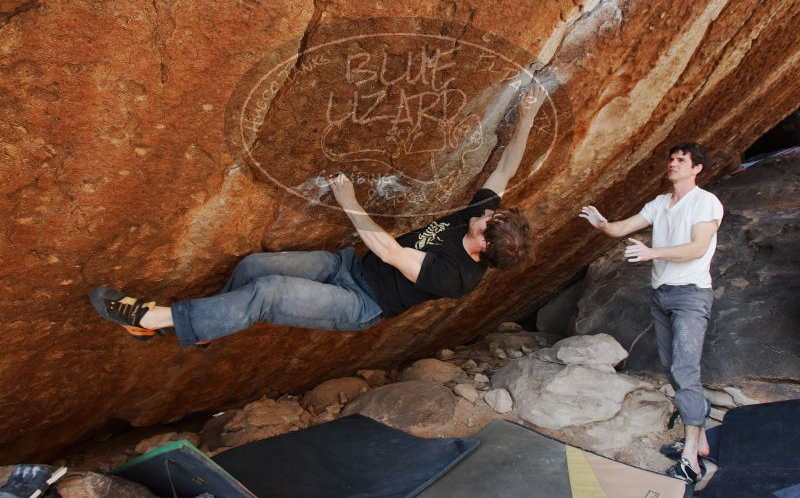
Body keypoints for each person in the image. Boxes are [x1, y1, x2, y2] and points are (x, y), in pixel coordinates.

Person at [90, 85, 544, 348]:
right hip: (346, 267)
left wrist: (348, 198)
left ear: (484, 246)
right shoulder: (483, 219)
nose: (487, 214)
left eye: (490, 221)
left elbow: (388, 249)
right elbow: (506, 168)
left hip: (362, 303)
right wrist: (527, 116)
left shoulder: (456, 277)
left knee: (268, 291)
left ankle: (149, 320)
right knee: (252, 267)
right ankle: (209, 325)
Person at [579, 142, 724, 485]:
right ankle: (700, 439)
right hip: (662, 295)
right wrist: (602, 224)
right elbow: (619, 228)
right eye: (671, 159)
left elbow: (697, 248)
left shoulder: (706, 202)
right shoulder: (660, 203)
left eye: (680, 160)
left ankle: (691, 460)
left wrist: (651, 252)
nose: (672, 164)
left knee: (684, 369)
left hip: (691, 295)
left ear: (697, 168)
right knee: (671, 367)